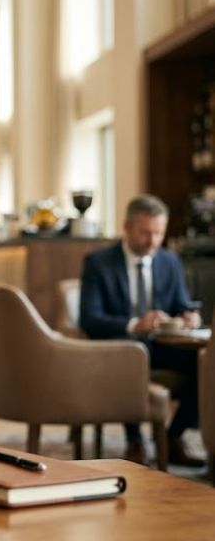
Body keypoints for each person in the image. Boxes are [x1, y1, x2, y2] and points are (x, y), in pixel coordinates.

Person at [79, 194, 204, 467]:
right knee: (132, 354)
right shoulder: (98, 262)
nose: (153, 242)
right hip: (118, 347)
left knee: (205, 361)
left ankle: (173, 438)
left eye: (158, 233)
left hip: (161, 345)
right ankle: (135, 441)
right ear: (127, 227)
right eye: (145, 233)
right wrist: (134, 324)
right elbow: (89, 319)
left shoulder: (168, 260)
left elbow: (182, 303)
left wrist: (189, 315)